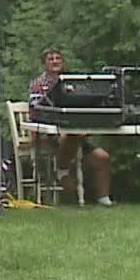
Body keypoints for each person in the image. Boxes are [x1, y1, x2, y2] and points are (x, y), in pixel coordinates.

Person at [29, 45, 113, 206]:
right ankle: (62, 171)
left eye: (58, 58)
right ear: (44, 64)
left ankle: (104, 198)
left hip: (77, 131)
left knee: (102, 157)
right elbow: (35, 111)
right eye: (50, 59)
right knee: (71, 136)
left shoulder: (73, 82)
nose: (55, 61)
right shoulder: (38, 84)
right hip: (50, 134)